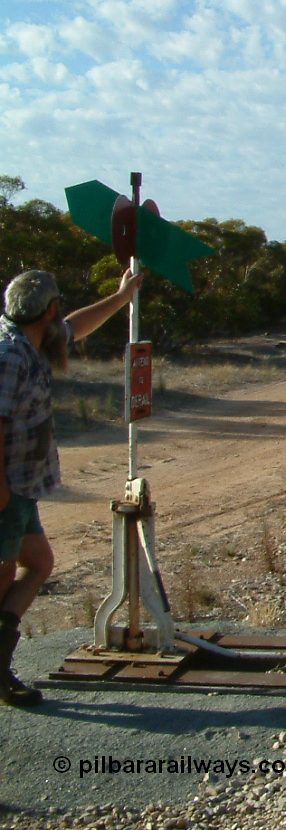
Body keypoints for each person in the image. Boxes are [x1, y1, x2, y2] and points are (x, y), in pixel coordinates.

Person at [0, 268, 141, 707]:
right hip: (5, 489)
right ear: (49, 308)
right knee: (4, 582)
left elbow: (77, 326)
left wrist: (122, 297)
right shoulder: (10, 355)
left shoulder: (33, 339)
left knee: (38, 562)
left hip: (22, 487)